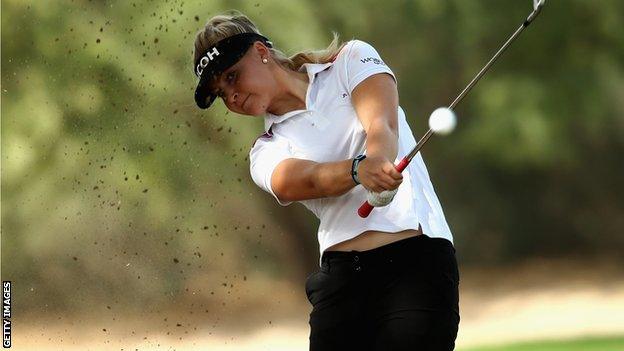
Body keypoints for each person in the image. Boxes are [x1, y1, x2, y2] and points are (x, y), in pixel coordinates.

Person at [192, 11, 460, 351]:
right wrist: (357, 170)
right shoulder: (266, 149)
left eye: (232, 76)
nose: (230, 96)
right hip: (342, 282)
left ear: (261, 52)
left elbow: (382, 124)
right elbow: (302, 181)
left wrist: (377, 160)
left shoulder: (349, 60)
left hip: (416, 265)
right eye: (220, 93)